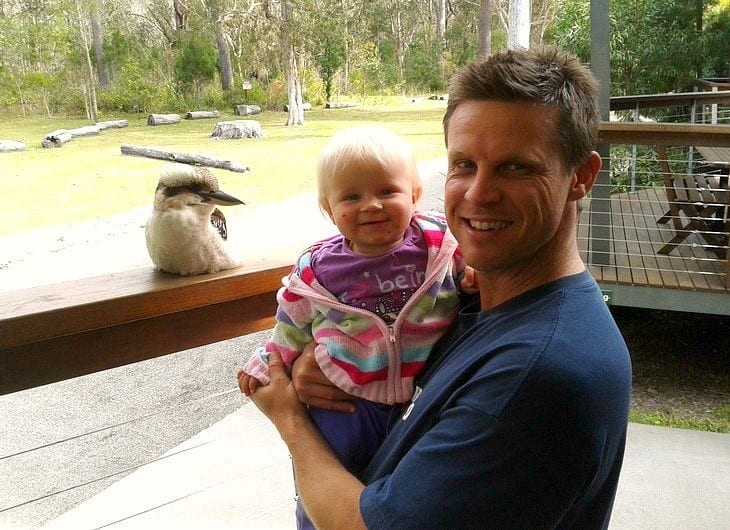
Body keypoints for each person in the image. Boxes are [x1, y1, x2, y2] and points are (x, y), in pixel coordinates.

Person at [244, 47, 632, 529]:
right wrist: (325, 363)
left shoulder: (540, 373)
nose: (478, 193)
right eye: (464, 164)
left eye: (516, 167)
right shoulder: (468, 302)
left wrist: (289, 418)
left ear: (581, 177)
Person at [237, 125, 473, 529]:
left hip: (416, 398)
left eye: (386, 191)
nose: (371, 206)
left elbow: (466, 266)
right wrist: (272, 362)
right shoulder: (319, 271)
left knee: (400, 483)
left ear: (414, 195)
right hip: (347, 399)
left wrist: (473, 274)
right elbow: (292, 323)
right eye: (351, 196)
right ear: (328, 209)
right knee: (329, 469)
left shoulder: (438, 244)